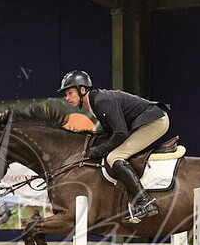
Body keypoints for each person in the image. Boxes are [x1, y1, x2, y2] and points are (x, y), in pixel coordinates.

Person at [58, 70, 170, 223]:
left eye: (70, 93)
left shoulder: (101, 102)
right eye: (66, 94)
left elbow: (120, 133)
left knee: (115, 157)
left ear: (82, 90)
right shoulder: (94, 103)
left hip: (155, 122)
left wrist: (100, 150)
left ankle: (145, 202)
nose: (67, 98)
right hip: (144, 122)